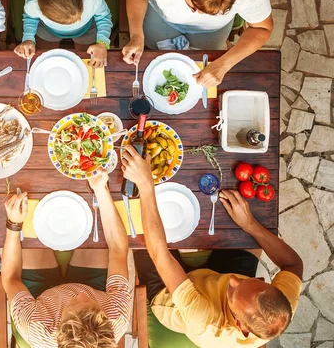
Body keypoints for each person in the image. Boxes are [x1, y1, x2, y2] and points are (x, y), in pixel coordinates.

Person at [120, 146, 303, 348]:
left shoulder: (205, 322)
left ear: (240, 326)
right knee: (245, 230)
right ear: (266, 284)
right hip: (216, 279)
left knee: (139, 230)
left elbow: (160, 256)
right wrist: (249, 223)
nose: (232, 281)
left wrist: (146, 184)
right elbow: (293, 264)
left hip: (170, 297)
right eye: (253, 280)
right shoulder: (282, 307)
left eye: (233, 291)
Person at [1, 173, 131, 348]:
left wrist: (14, 224)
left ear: (59, 328)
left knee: (30, 226)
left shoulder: (37, 326)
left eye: (76, 303)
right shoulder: (116, 316)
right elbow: (117, 249)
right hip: (93, 285)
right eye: (92, 306)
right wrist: (101, 189)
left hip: (41, 296)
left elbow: (10, 279)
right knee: (97, 231)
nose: (81, 295)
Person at [122, 0, 273, 87]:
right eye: (194, 6)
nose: (200, 14)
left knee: (199, 66)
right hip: (163, 19)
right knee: (153, 53)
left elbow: (262, 28)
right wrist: (136, 35)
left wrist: (223, 64)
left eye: (215, 12)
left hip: (213, 30)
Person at [14, 0, 113, 68]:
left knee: (86, 62)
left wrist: (102, 43)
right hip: (47, 30)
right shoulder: (32, 3)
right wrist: (28, 38)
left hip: (87, 29)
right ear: (43, 12)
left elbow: (103, 17)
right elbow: (30, 18)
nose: (78, 21)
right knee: (44, 61)